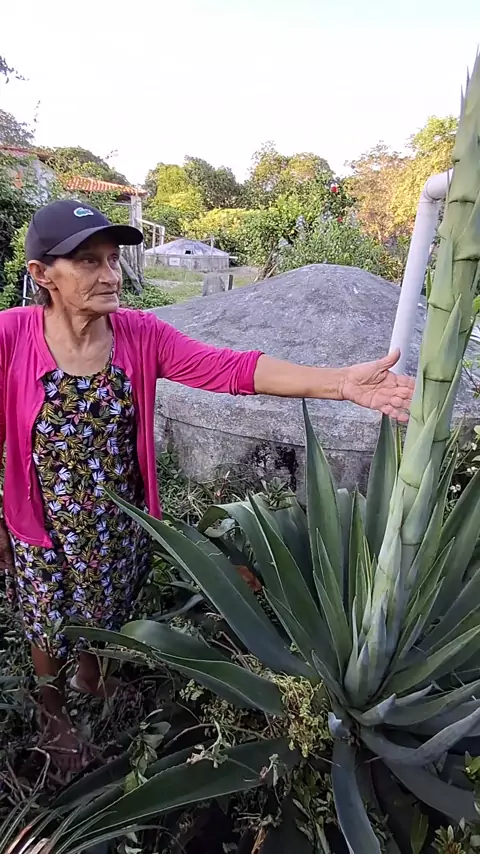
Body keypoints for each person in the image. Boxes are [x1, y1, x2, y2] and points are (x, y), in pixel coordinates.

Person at [0, 199, 414, 769]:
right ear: (42, 274)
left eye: (113, 259)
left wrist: (340, 383)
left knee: (107, 604)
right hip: (42, 523)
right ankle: (54, 715)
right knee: (48, 620)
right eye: (89, 261)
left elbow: (230, 368)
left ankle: (90, 676)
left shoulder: (139, 335)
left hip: (120, 519)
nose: (111, 274)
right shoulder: (11, 336)